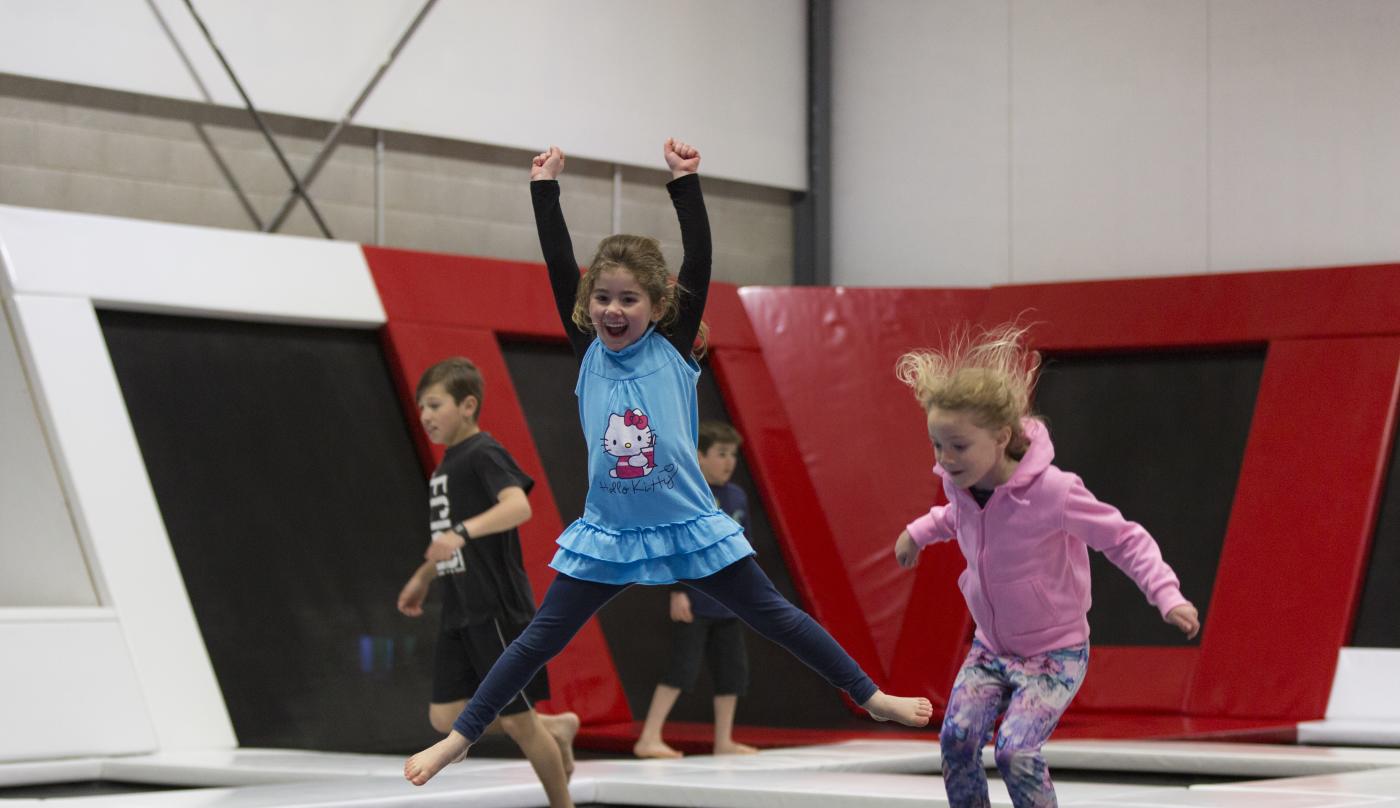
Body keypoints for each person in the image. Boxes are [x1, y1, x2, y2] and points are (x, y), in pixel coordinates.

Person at [404, 139, 931, 786]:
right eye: (603, 298)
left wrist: (685, 182)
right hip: (610, 533)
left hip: (688, 526)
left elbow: (700, 259)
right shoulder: (587, 349)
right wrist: (545, 189)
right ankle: (458, 740)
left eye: (629, 300)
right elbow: (556, 261)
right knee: (536, 640)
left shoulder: (672, 348)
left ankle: (871, 696)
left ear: (656, 307)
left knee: (776, 617)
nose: (613, 311)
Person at [891, 324, 1201, 808]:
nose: (945, 459)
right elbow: (957, 516)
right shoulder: (964, 487)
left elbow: (1123, 537)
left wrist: (1166, 594)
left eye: (958, 446)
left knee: (1016, 751)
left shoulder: (1054, 492)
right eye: (937, 445)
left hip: (1054, 654)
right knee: (956, 740)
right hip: (991, 649)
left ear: (1001, 436)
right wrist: (918, 532)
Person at [396, 357, 578, 808]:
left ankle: (563, 803)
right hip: (460, 606)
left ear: (468, 405)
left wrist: (462, 532)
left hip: (495, 605)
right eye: (421, 407)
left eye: (435, 405)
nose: (425, 416)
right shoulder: (444, 469)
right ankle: (554, 727)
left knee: (518, 724)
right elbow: (447, 542)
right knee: (444, 717)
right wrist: (422, 577)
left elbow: (518, 507)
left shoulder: (483, 452)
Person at [634, 421, 758, 759]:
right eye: (720, 454)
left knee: (732, 672)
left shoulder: (737, 496)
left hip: (728, 601)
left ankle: (724, 740)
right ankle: (649, 736)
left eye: (732, 455)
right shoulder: (687, 494)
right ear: (699, 456)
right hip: (695, 597)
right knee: (681, 668)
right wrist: (676, 590)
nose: (728, 462)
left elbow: (743, 545)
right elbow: (670, 544)